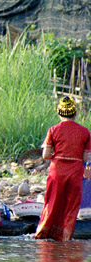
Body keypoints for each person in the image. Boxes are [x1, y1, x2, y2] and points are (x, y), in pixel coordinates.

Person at [35, 97, 91, 241]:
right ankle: (65, 238)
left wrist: (58, 156)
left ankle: (43, 234)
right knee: (71, 205)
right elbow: (85, 158)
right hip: (75, 172)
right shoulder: (85, 132)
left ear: (59, 113)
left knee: (52, 202)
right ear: (75, 113)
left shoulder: (53, 130)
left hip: (57, 171)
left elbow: (46, 155)